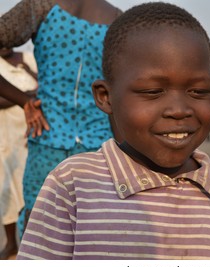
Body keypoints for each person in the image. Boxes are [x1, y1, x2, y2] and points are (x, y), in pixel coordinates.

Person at [16, 2, 210, 260]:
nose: (179, 110)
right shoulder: (72, 185)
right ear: (106, 97)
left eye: (198, 92)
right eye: (153, 92)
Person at [0, 0, 122, 237]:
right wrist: (24, 100)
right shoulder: (115, 18)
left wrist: (24, 101)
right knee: (91, 226)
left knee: (44, 225)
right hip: (85, 144)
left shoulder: (41, 5)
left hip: (77, 145)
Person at [0, 48, 37, 260]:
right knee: (5, 190)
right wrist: (27, 97)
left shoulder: (28, 59)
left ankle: (30, 244)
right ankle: (11, 244)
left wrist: (28, 95)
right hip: (4, 137)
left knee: (30, 190)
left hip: (30, 134)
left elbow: (45, 85)